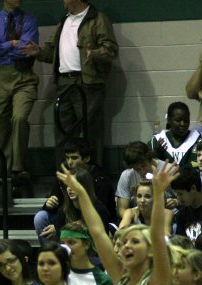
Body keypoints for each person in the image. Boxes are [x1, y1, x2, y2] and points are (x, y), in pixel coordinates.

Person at [20, 0, 118, 164]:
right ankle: (63, 179)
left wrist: (95, 53)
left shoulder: (98, 19)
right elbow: (53, 53)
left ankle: (92, 177)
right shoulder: (64, 20)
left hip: (87, 83)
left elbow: (111, 49)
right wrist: (38, 52)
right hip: (64, 83)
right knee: (62, 133)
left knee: (90, 133)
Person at [0, 0, 40, 197]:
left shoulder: (29, 19)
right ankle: (11, 178)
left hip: (24, 76)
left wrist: (1, 47)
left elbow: (25, 50)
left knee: (20, 118)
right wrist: (10, 43)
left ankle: (17, 168)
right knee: (2, 127)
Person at [35, 167, 110, 242]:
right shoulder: (64, 210)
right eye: (68, 185)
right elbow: (60, 238)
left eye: (73, 185)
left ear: (85, 187)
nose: (69, 189)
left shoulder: (98, 209)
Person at [150, 101, 201, 169]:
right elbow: (151, 166)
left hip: (191, 179)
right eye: (178, 120)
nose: (183, 124)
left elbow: (197, 164)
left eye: (186, 120)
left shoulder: (197, 138)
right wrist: (158, 152)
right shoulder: (157, 140)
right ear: (168, 120)